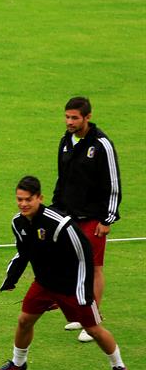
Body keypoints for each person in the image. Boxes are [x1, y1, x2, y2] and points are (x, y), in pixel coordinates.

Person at [0, 176, 128, 370]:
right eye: (19, 199)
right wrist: (11, 278)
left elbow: (84, 255)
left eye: (28, 199)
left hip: (71, 285)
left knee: (93, 329)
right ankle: (18, 363)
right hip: (44, 283)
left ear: (39, 198)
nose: (23, 204)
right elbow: (23, 252)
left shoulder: (59, 223)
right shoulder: (18, 223)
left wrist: (83, 291)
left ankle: (118, 366)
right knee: (24, 320)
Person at [52, 97, 121, 343]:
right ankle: (81, 315)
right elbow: (62, 178)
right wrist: (56, 209)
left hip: (94, 218)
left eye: (74, 118)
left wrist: (108, 218)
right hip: (69, 216)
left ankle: (93, 319)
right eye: (67, 117)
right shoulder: (66, 142)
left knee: (94, 268)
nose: (69, 122)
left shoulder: (102, 144)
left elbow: (113, 184)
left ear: (87, 118)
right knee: (72, 266)